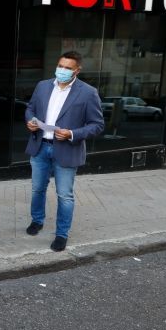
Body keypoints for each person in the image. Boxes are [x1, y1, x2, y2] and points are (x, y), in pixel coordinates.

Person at [24, 51, 104, 252]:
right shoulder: (43, 86)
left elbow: (97, 125)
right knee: (37, 189)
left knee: (65, 195)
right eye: (61, 66)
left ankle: (61, 234)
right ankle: (37, 220)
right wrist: (30, 121)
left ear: (77, 70)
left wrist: (71, 133)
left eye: (68, 68)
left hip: (67, 149)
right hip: (40, 145)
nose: (63, 70)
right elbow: (30, 108)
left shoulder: (88, 92)